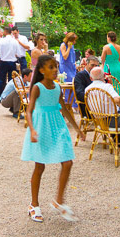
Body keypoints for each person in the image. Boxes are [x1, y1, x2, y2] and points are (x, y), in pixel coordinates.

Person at [22, 55, 86, 223]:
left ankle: (58, 200)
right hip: (41, 126)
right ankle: (34, 204)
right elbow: (29, 110)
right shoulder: (37, 87)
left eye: (56, 67)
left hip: (57, 126)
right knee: (39, 166)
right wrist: (33, 129)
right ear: (41, 70)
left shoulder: (57, 87)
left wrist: (78, 128)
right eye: (51, 67)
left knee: (67, 162)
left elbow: (64, 108)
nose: (55, 70)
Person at [0, 26, 19, 102]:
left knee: (1, 79)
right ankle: (10, 97)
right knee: (12, 80)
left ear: (5, 32)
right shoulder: (14, 41)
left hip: (4, 61)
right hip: (12, 61)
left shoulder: (2, 41)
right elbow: (17, 53)